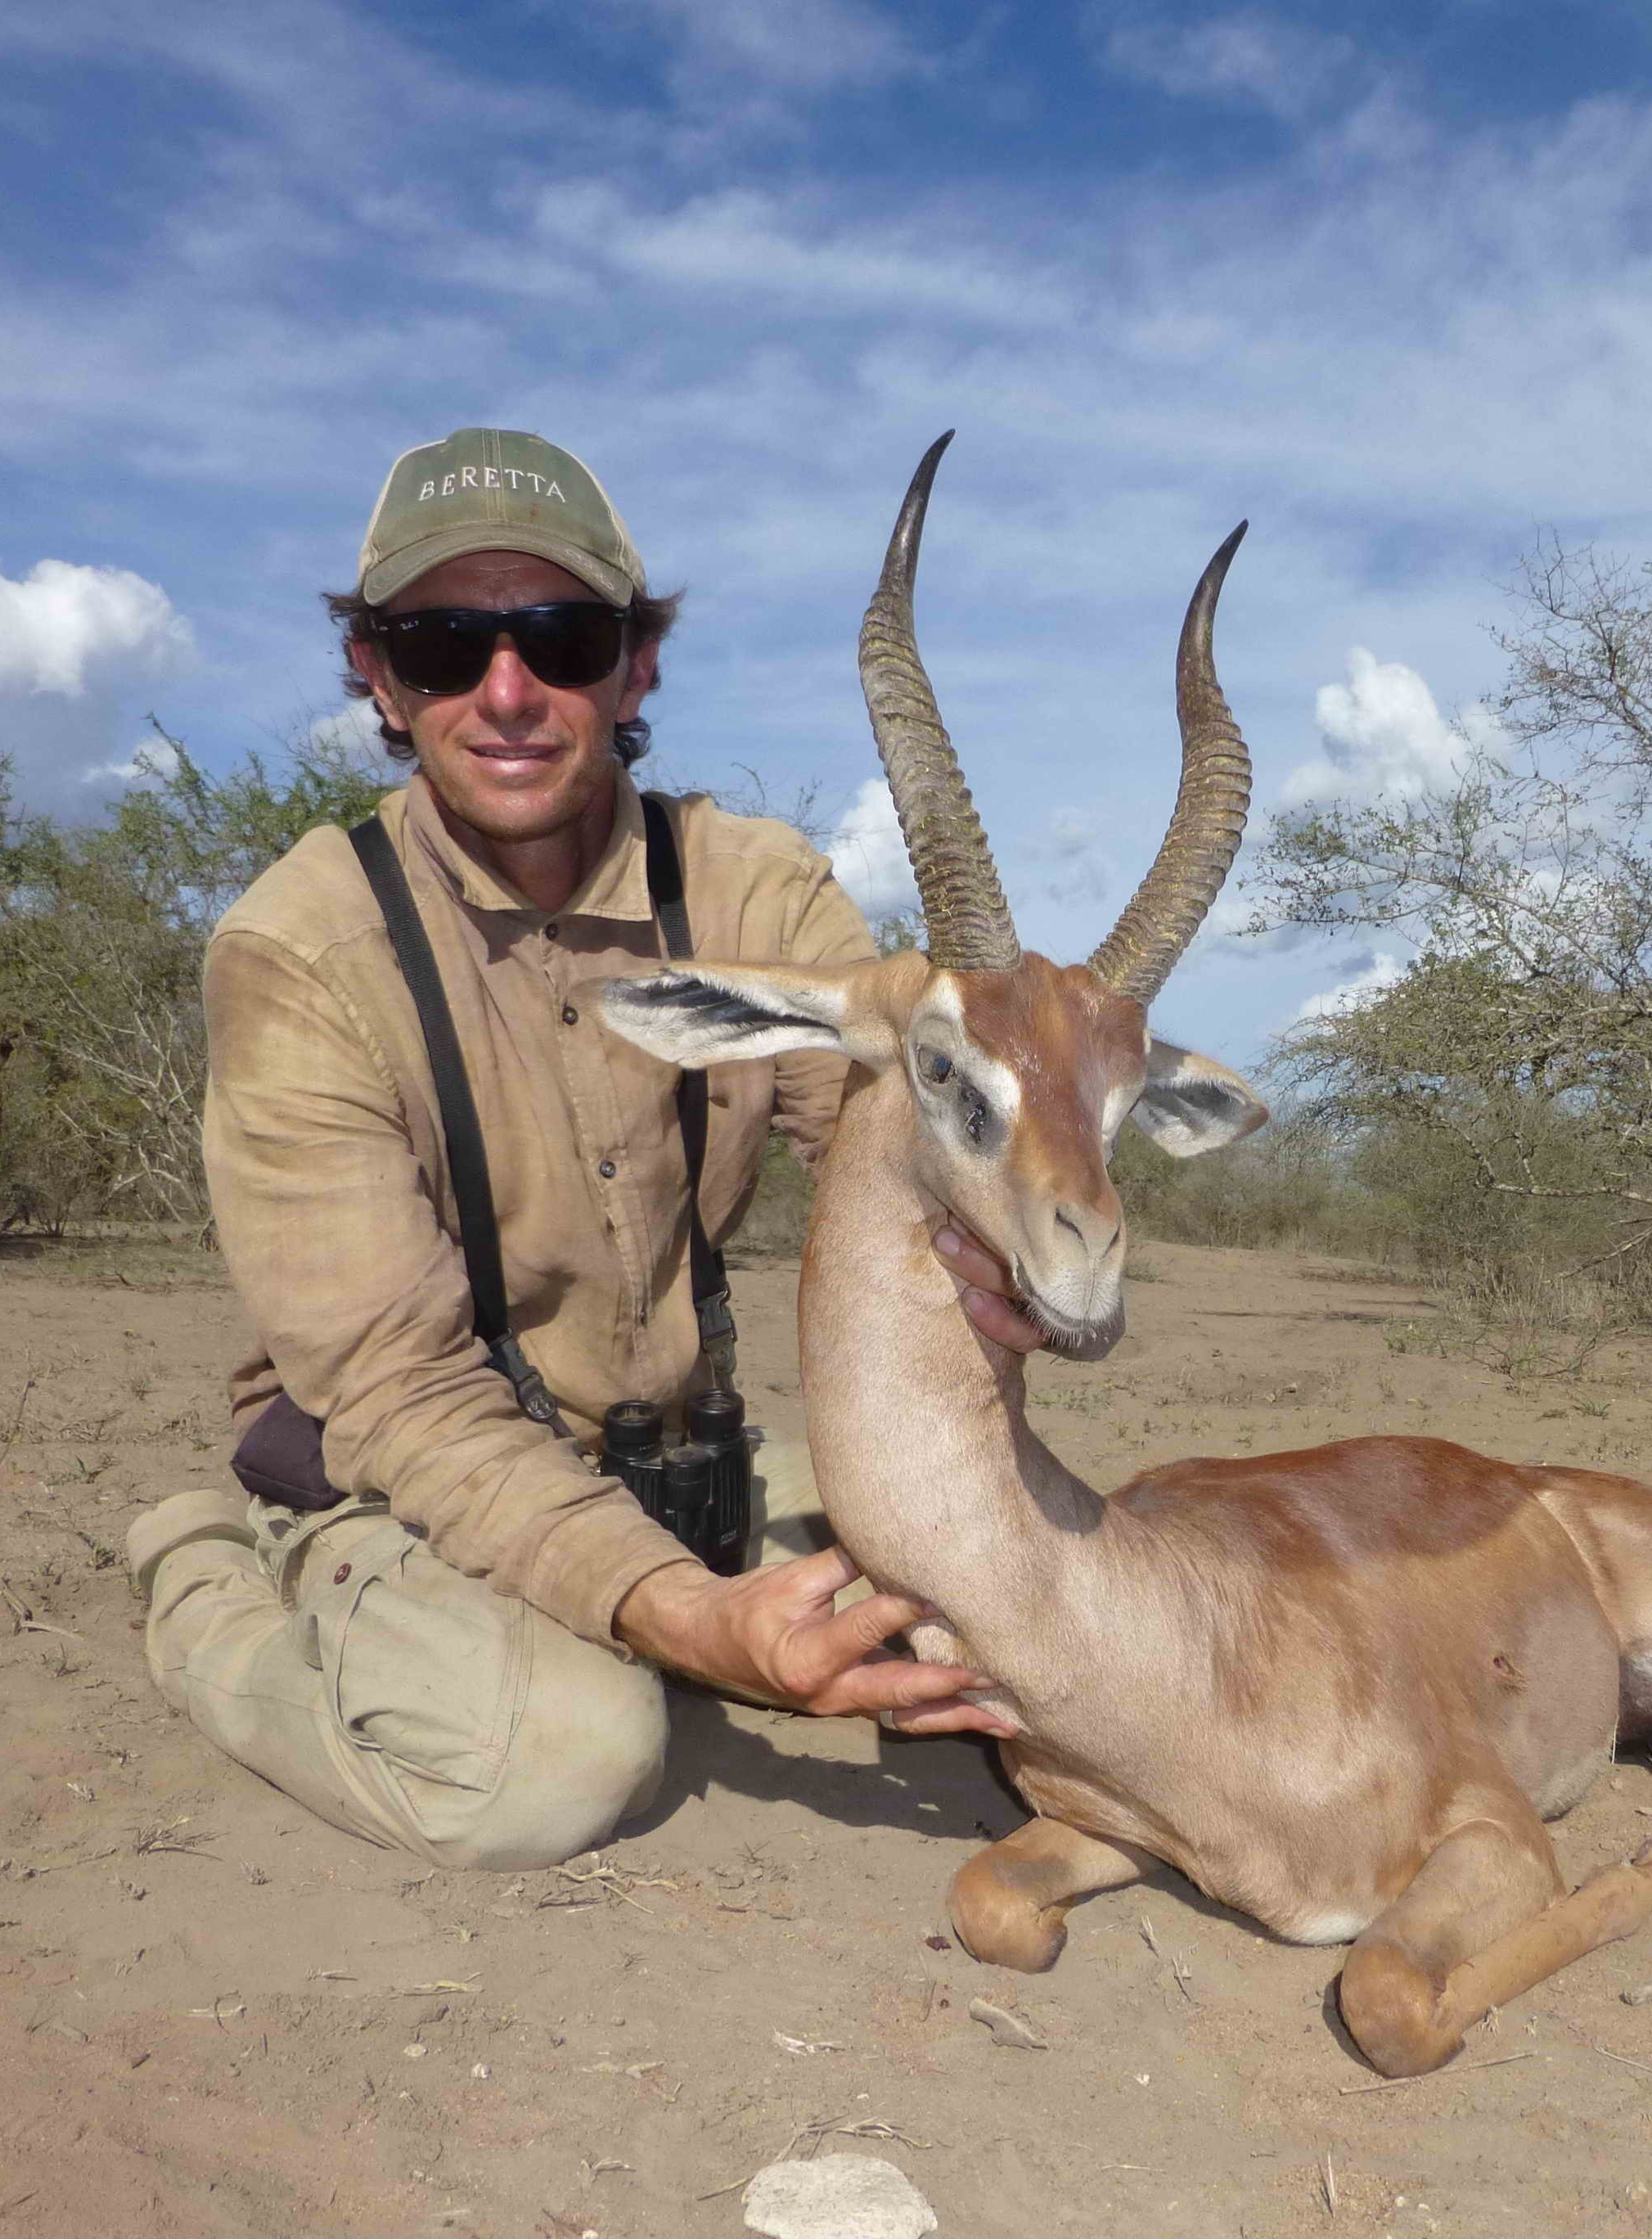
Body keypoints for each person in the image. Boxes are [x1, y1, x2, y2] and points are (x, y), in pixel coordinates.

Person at [124, 428, 1035, 1871]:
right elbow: (400, 1390)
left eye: (562, 636)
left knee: (1012, 1633)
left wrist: (1004, 1213)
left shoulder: (757, 888)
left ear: (636, 667)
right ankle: (202, 1571)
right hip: (411, 1472)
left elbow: (894, 1164)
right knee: (560, 1766)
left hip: (677, 1453)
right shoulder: (299, 949)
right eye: (441, 642)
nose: (507, 692)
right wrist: (692, 1621)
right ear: (375, 673)